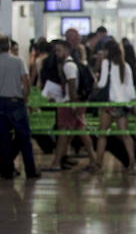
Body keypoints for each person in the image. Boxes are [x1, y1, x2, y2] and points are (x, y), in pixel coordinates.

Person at [47, 40, 98, 172]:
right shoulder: (73, 64)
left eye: (59, 50)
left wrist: (72, 103)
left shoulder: (68, 66)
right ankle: (93, 159)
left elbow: (72, 85)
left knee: (63, 133)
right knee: (81, 131)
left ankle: (57, 162)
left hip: (69, 103)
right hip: (75, 102)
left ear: (67, 50)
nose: (56, 53)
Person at [94, 40, 136, 172]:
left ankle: (98, 163)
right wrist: (133, 104)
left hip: (109, 104)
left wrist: (95, 81)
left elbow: (102, 84)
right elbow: (130, 89)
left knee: (102, 134)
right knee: (125, 134)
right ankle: (132, 162)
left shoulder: (106, 63)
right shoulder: (126, 66)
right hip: (123, 104)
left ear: (107, 51)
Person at [0, 35, 38, 179]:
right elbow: (26, 81)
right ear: (9, 46)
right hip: (15, 103)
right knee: (24, 137)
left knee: (3, 139)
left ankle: (7, 171)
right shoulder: (17, 61)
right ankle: (31, 171)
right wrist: (25, 98)